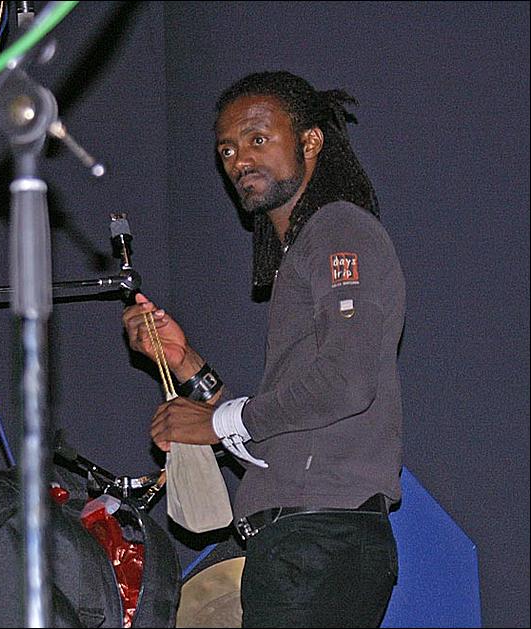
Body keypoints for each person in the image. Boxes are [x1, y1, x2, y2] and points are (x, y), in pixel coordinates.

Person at [122, 71, 404, 628]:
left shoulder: (339, 229)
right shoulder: (305, 249)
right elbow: (279, 437)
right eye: (227, 149)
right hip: (301, 543)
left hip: (320, 540)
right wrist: (186, 364)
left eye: (257, 139)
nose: (239, 160)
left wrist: (216, 423)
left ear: (310, 141)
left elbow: (346, 382)